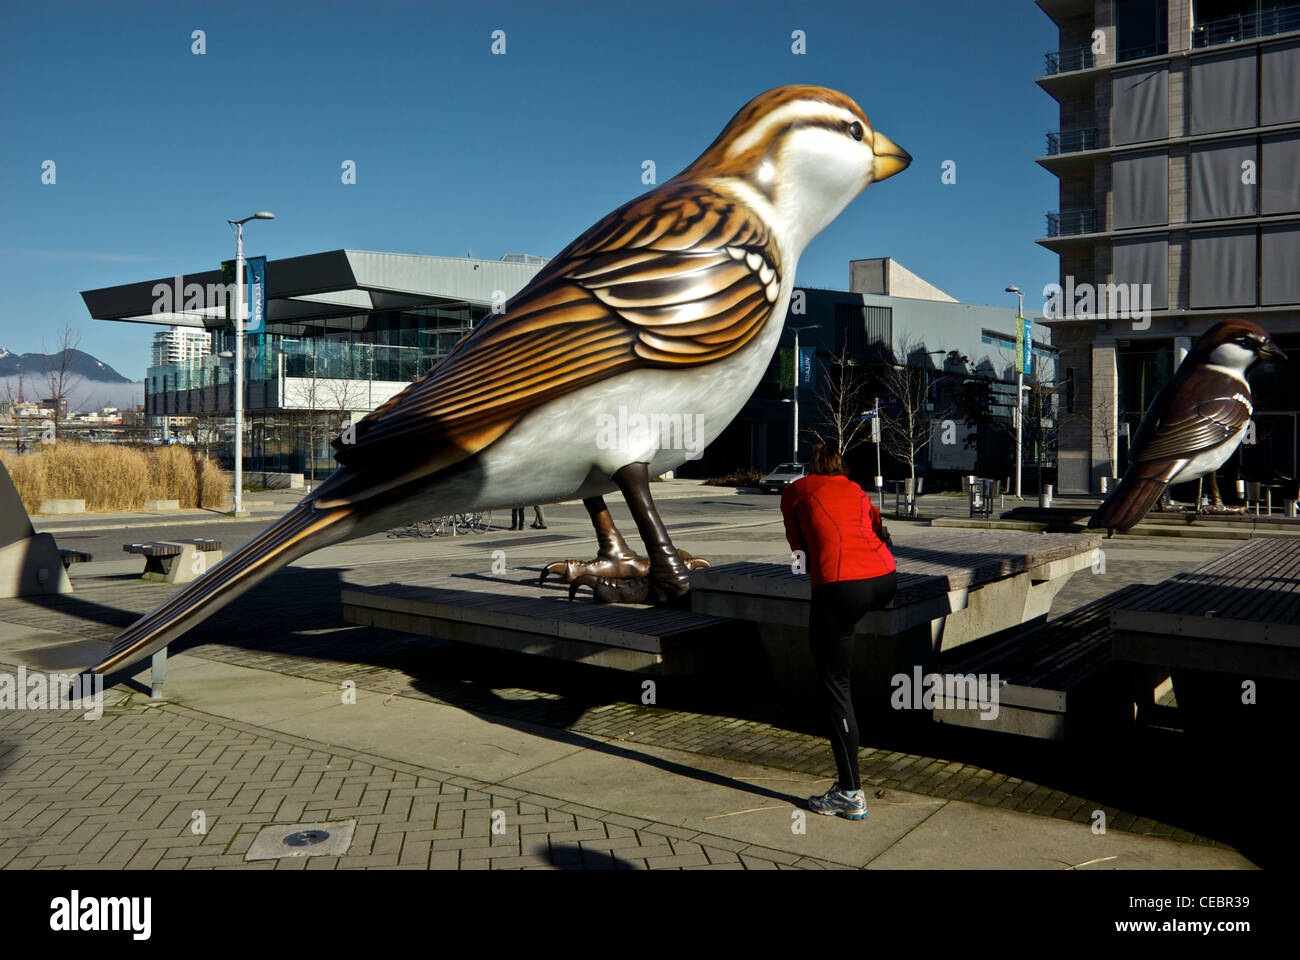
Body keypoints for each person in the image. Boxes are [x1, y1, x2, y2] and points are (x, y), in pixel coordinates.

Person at [780, 443, 896, 821]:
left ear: (811, 466)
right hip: (884, 578)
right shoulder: (855, 488)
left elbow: (798, 550)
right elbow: (881, 529)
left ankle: (849, 793)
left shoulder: (796, 491)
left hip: (840, 586)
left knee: (836, 686)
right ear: (840, 466)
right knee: (843, 643)